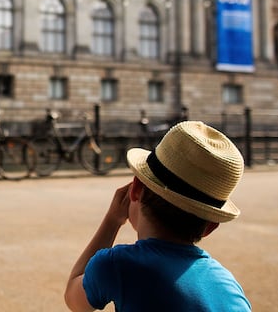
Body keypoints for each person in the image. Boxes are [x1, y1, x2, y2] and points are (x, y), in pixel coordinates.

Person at [64, 121, 252, 312]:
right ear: (211, 226)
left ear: (135, 189)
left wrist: (112, 221)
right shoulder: (230, 287)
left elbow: (75, 299)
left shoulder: (118, 265)